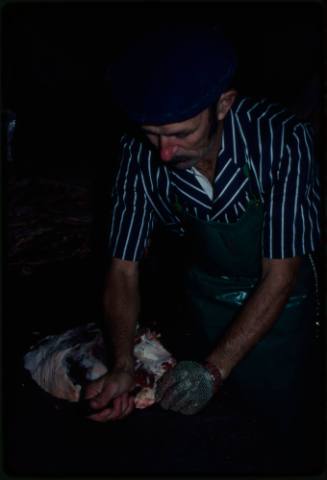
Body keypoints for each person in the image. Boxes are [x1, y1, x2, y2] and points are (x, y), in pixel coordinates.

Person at [84, 23, 321, 450]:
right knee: (219, 430)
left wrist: (213, 370)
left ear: (224, 104)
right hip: (205, 294)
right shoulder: (140, 155)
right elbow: (122, 269)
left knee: (283, 421)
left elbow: (281, 274)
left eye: (180, 134)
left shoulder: (282, 139)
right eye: (152, 134)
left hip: (282, 301)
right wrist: (122, 364)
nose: (165, 153)